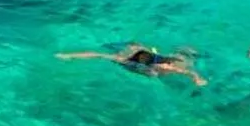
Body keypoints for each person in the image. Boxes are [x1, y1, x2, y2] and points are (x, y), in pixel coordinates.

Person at [55, 43, 206, 87]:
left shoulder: (172, 66)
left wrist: (197, 80)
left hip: (147, 57)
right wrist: (69, 56)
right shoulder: (128, 60)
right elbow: (97, 55)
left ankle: (186, 51)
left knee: (179, 60)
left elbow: (190, 72)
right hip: (139, 56)